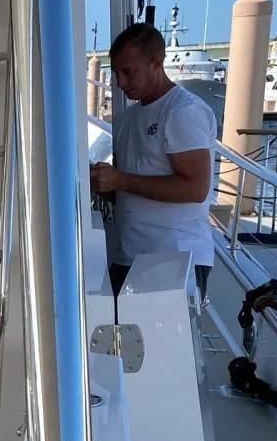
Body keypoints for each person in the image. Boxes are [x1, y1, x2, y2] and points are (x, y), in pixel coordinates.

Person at [89, 22, 217, 301]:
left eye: (128, 72)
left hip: (175, 258)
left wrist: (120, 180)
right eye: (117, 73)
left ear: (156, 63)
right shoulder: (125, 120)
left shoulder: (183, 111)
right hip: (128, 257)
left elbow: (196, 188)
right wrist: (101, 182)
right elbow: (129, 186)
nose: (121, 83)